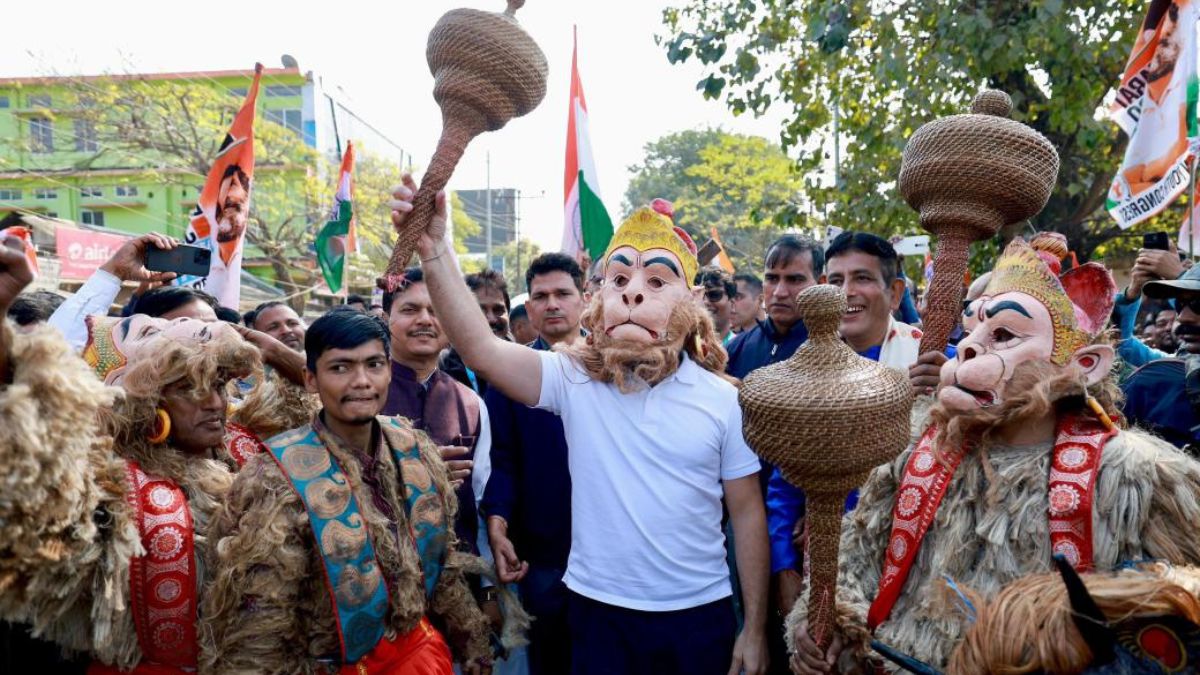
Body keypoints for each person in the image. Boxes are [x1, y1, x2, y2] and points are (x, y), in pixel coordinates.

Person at [390, 181, 769, 675]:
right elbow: (481, 349)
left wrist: (755, 628)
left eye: (657, 281)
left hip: (697, 612)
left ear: (692, 299)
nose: (634, 291)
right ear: (600, 295)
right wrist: (435, 248)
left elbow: (747, 516)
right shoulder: (573, 377)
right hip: (597, 610)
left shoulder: (724, 400)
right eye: (620, 278)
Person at [786, 239, 1200, 674]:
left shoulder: (1138, 475)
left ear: (1084, 364)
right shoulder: (913, 448)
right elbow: (857, 555)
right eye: (970, 331)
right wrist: (829, 619)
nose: (967, 347)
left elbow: (1173, 616)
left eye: (1001, 335)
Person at [0, 232, 303, 670]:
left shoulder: (247, 445)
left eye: (219, 384)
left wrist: (272, 349)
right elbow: (35, 439)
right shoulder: (110, 483)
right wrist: (108, 277)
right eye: (188, 388)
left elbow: (333, 401)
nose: (215, 402)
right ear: (149, 401)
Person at [201, 309, 503, 674]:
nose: (361, 381)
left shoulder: (413, 446)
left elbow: (440, 559)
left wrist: (472, 640)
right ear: (310, 379)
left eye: (374, 364)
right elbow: (261, 616)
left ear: (390, 370)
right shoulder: (275, 475)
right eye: (340, 368)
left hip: (417, 655)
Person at [764, 232, 937, 638]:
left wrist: (945, 391)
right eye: (836, 281)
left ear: (894, 293)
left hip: (910, 570)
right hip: (821, 564)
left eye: (861, 278)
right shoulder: (802, 371)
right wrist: (784, 567)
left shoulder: (932, 363)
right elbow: (783, 481)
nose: (847, 293)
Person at [481, 252, 585, 675]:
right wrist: (498, 521)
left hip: (617, 556)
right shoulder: (509, 376)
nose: (552, 304)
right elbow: (500, 460)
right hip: (544, 557)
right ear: (528, 308)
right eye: (540, 296)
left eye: (563, 293)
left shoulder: (619, 367)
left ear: (586, 299)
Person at [382, 267, 490, 557]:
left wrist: (489, 590)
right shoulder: (362, 393)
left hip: (458, 571)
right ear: (385, 319)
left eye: (436, 310)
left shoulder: (471, 402)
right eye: (410, 309)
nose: (425, 320)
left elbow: (479, 503)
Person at [1122, 264, 1200, 451]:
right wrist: (1130, 296)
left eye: (1199, 305)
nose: (1183, 317)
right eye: (1180, 304)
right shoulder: (1151, 384)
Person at [696, 266, 737, 344]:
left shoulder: (742, 348)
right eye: (699, 295)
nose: (705, 302)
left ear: (732, 303)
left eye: (714, 295)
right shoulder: (678, 348)